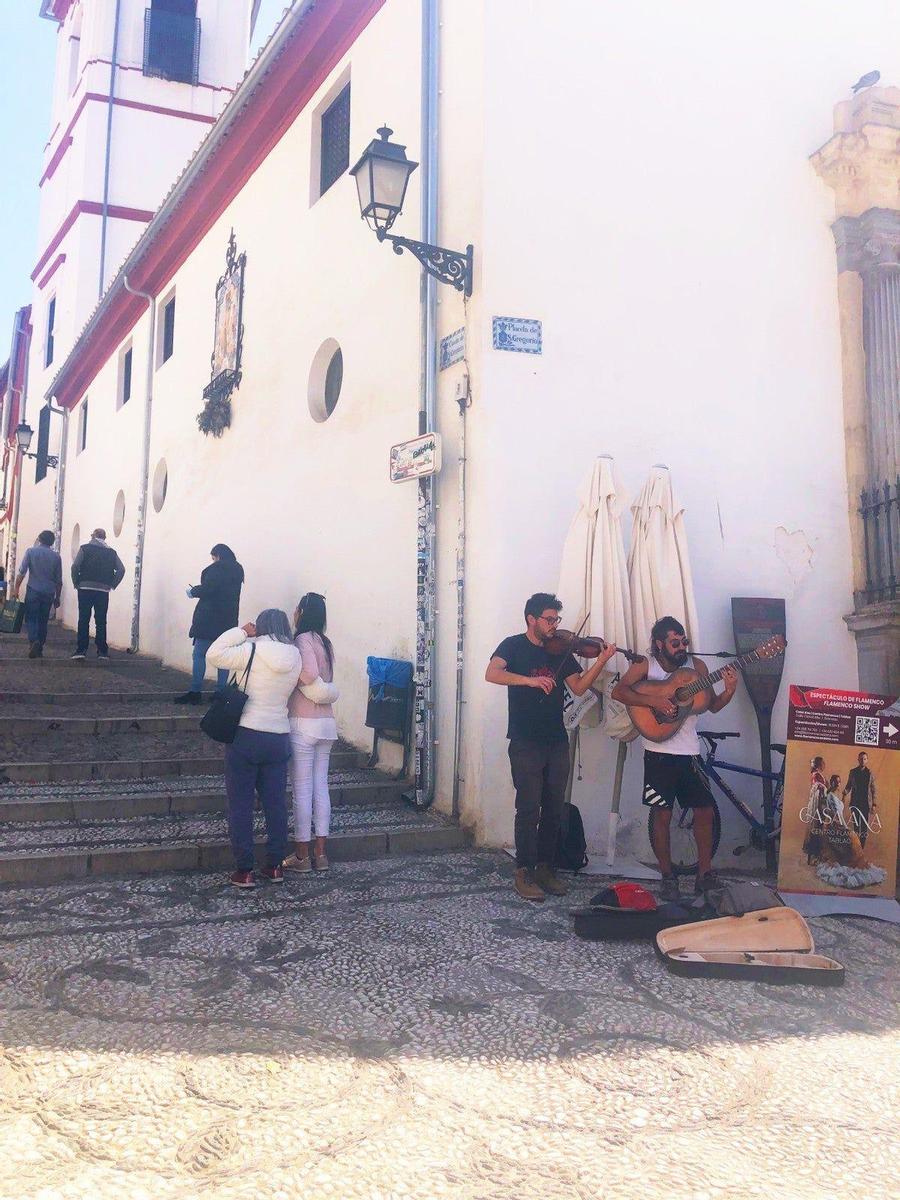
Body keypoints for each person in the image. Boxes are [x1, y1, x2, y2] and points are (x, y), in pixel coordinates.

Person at [486, 592, 618, 902]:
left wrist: (600, 660)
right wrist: (529, 681)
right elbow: (492, 673)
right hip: (524, 740)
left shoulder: (560, 651)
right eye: (549, 619)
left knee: (554, 807)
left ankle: (546, 868)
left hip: (556, 740)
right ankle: (524, 871)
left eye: (556, 619)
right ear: (531, 619)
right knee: (528, 807)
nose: (555, 625)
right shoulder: (512, 645)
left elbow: (579, 686)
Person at [612, 616, 737, 900]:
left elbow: (713, 706)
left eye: (684, 642)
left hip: (689, 752)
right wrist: (654, 700)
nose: (681, 647)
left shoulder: (698, 667)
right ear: (659, 644)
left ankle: (704, 875)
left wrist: (729, 690)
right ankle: (667, 876)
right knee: (662, 813)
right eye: (675, 642)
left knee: (704, 811)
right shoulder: (646, 665)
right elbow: (620, 691)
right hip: (658, 754)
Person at [206, 610, 301, 889]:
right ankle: (274, 866)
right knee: (275, 804)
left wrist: (242, 631)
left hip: (246, 734)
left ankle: (244, 870)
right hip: (279, 736)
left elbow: (214, 653)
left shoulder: (250, 650)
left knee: (241, 804)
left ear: (261, 626)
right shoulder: (295, 656)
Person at [283, 592, 339, 874]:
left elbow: (308, 675)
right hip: (326, 723)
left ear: (303, 612)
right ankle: (321, 854)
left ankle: (302, 856)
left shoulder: (303, 640)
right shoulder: (325, 642)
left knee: (302, 790)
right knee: (321, 788)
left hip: (304, 721)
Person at [174, 544, 244, 705]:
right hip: (228, 621)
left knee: (199, 654)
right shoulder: (237, 570)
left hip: (208, 620)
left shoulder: (217, 569)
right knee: (224, 658)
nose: (212, 561)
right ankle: (220, 692)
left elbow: (208, 589)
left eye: (213, 558)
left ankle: (195, 691)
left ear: (218, 555)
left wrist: (193, 591)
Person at [70, 528, 125, 660]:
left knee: (83, 619)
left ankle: (81, 650)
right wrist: (112, 584)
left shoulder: (84, 549)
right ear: (105, 537)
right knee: (101, 621)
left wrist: (76, 582)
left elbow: (75, 566)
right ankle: (102, 651)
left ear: (93, 536)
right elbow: (121, 569)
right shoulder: (112, 553)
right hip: (102, 590)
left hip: (85, 588)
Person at [13, 530, 62, 658]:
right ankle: (40, 646)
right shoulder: (56, 557)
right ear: (52, 542)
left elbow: (22, 572)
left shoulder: (31, 552)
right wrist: (58, 597)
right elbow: (59, 580)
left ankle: (34, 640)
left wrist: (16, 589)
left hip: (33, 589)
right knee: (43, 619)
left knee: (31, 617)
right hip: (49, 592)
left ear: (39, 539)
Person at [843, 751, 877, 848]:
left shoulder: (869, 773)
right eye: (861, 759)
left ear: (867, 760)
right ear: (858, 760)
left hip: (866, 804)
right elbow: (848, 786)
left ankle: (861, 849)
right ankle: (856, 849)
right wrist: (844, 792)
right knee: (856, 827)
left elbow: (873, 789)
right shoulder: (853, 772)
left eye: (865, 759)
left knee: (864, 828)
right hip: (855, 803)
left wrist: (874, 804)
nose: (863, 760)